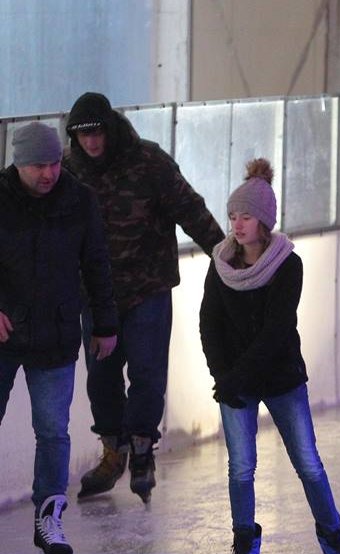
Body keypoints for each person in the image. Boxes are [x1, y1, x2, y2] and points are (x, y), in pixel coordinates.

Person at [200, 159, 340, 554]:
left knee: (308, 463)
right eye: (233, 215)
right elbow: (209, 323)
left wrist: (237, 376)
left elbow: (277, 331)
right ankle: (244, 546)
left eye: (247, 216)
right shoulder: (220, 263)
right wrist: (224, 376)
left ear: (265, 221)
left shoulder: (285, 264)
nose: (237, 224)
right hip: (234, 383)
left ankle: (333, 538)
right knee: (240, 468)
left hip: (280, 378)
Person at [64, 92, 225, 503]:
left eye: (97, 133)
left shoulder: (149, 162)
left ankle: (140, 449)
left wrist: (226, 258)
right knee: (101, 378)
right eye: (83, 137)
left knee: (148, 372)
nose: (92, 144)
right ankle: (112, 451)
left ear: (110, 129)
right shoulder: (68, 171)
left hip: (147, 288)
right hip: (96, 296)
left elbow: (190, 209)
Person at [0, 123, 118, 554]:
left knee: (53, 430)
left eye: (53, 163)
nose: (48, 173)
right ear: (18, 162)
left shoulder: (79, 199)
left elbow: (97, 264)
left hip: (56, 333)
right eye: (37, 165)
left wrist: (105, 324)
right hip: (6, 333)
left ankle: (50, 515)